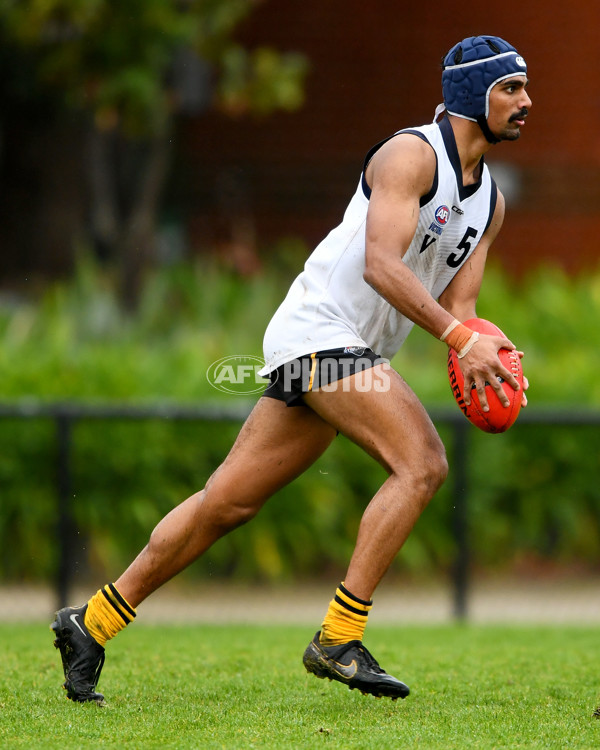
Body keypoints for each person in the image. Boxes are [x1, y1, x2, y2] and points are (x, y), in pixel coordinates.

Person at [51, 34, 531, 704]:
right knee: (422, 462)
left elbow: (463, 306)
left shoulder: (492, 203)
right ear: (470, 94)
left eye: (524, 88)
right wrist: (459, 337)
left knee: (228, 501)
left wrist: (492, 350)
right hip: (319, 334)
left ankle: (91, 622)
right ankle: (339, 636)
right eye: (510, 88)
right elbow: (381, 265)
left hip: (349, 353)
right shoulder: (411, 155)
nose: (525, 101)